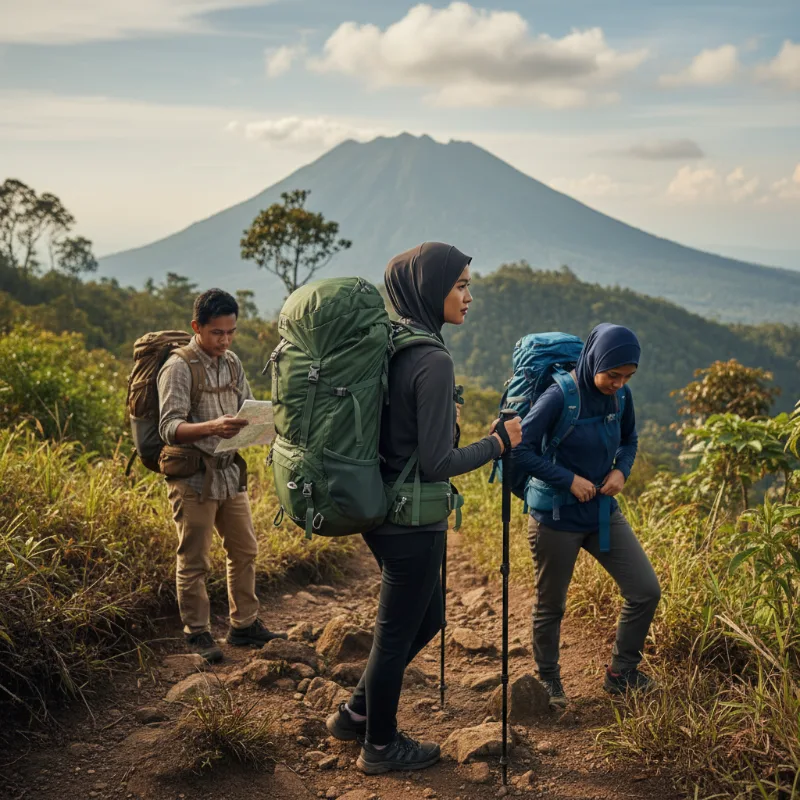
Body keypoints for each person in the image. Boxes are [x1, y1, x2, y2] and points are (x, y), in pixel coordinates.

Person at [325, 242, 522, 775]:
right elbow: (437, 463)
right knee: (394, 636)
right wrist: (498, 443)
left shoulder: (393, 344)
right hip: (411, 520)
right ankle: (381, 746)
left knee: (428, 617)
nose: (469, 296)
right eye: (459, 285)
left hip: (382, 507)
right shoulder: (433, 359)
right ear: (430, 289)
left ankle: (355, 716)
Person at [512, 323, 661, 708]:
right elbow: (519, 450)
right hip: (556, 516)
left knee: (645, 589)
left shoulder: (621, 397)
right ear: (595, 360)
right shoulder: (560, 396)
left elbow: (629, 441)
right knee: (552, 605)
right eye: (613, 374)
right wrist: (568, 479)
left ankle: (621, 673)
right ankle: (548, 680)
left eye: (628, 376)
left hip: (600, 512)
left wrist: (621, 471)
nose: (619, 383)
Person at [158, 288, 286, 663]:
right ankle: (196, 632)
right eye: (217, 333)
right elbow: (169, 427)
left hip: (230, 474)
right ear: (197, 327)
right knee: (195, 559)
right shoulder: (178, 367)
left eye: (230, 332)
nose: (225, 340)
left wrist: (260, 425)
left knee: (244, 550)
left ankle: (244, 625)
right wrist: (212, 426)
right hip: (193, 477)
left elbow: (246, 407)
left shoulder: (231, 363)